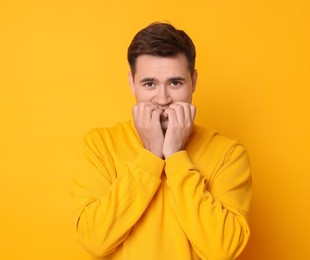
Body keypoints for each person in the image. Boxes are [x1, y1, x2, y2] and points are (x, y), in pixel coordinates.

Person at [71, 22, 252, 260]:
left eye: (175, 83)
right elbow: (94, 241)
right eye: (149, 84)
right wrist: (151, 156)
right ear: (131, 83)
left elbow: (223, 250)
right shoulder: (99, 145)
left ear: (194, 81)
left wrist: (176, 157)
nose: (163, 98)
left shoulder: (229, 153)